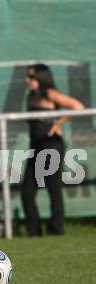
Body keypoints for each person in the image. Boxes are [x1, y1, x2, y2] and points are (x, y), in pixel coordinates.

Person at [21, 64, 85, 237]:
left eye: (32, 77)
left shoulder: (50, 94)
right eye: (27, 76)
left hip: (52, 146)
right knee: (27, 191)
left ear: (41, 78)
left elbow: (78, 107)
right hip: (36, 146)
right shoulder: (30, 97)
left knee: (53, 188)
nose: (28, 80)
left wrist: (58, 122)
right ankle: (33, 232)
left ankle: (56, 230)